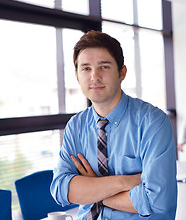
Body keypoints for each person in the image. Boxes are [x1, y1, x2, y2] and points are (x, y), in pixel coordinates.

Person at [50, 30, 177, 220]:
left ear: (122, 72)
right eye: (86, 68)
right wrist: (124, 182)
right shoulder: (76, 126)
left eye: (104, 67)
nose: (95, 76)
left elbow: (157, 202)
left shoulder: (152, 122)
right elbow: (61, 189)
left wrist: (93, 189)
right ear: (77, 75)